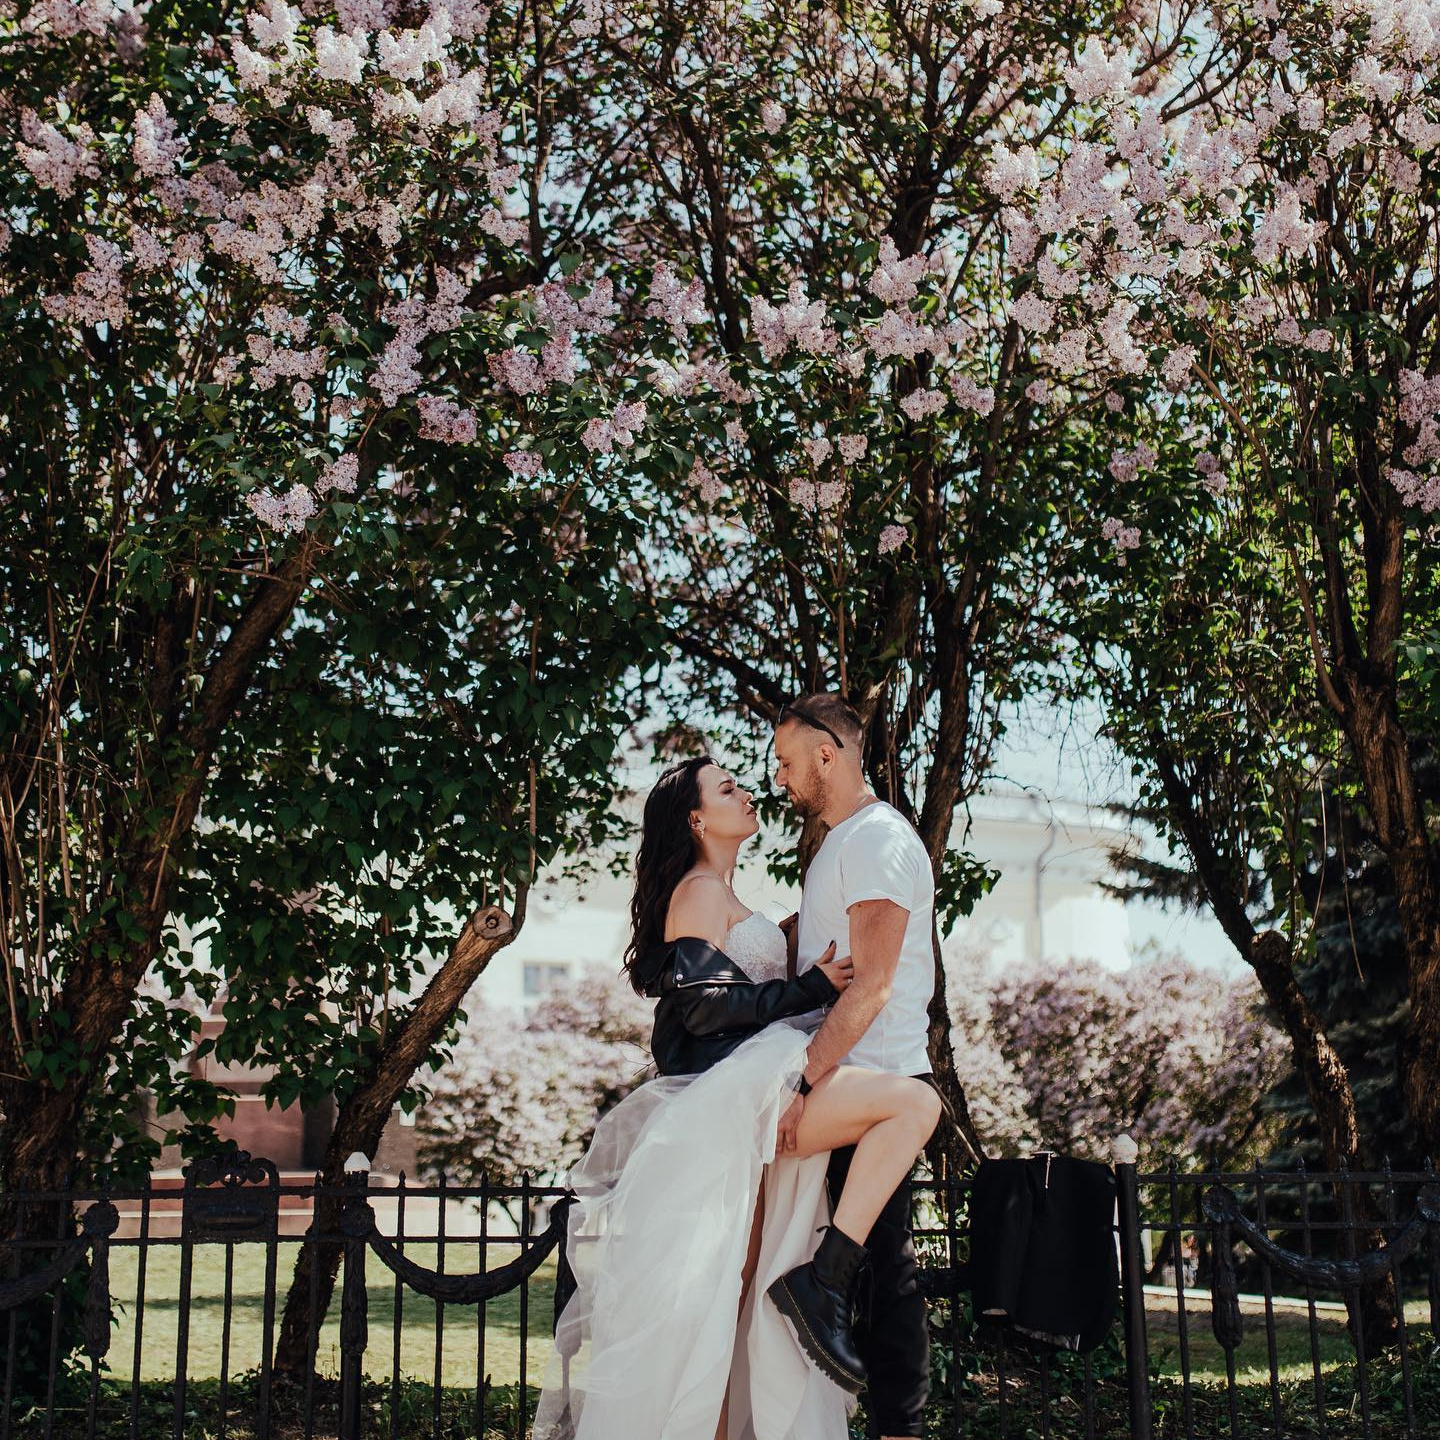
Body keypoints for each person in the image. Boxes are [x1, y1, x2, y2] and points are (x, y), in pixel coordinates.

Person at [532, 752, 940, 1440]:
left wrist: (784, 945)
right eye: (727, 788)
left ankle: (808, 1307)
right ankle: (824, 1285)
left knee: (733, 1297)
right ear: (696, 819)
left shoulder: (723, 895)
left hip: (751, 1090)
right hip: (731, 1103)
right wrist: (811, 986)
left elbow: (730, 983)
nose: (748, 791)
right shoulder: (695, 891)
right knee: (911, 1106)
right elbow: (702, 1010)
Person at [771, 693, 940, 1440]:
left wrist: (803, 1082)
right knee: (879, 1270)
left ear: (826, 756)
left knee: (889, 1276)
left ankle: (898, 1429)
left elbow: (872, 985)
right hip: (849, 1077)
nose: (778, 776)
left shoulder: (877, 839)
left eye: (785, 760)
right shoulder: (839, 843)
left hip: (873, 1081)